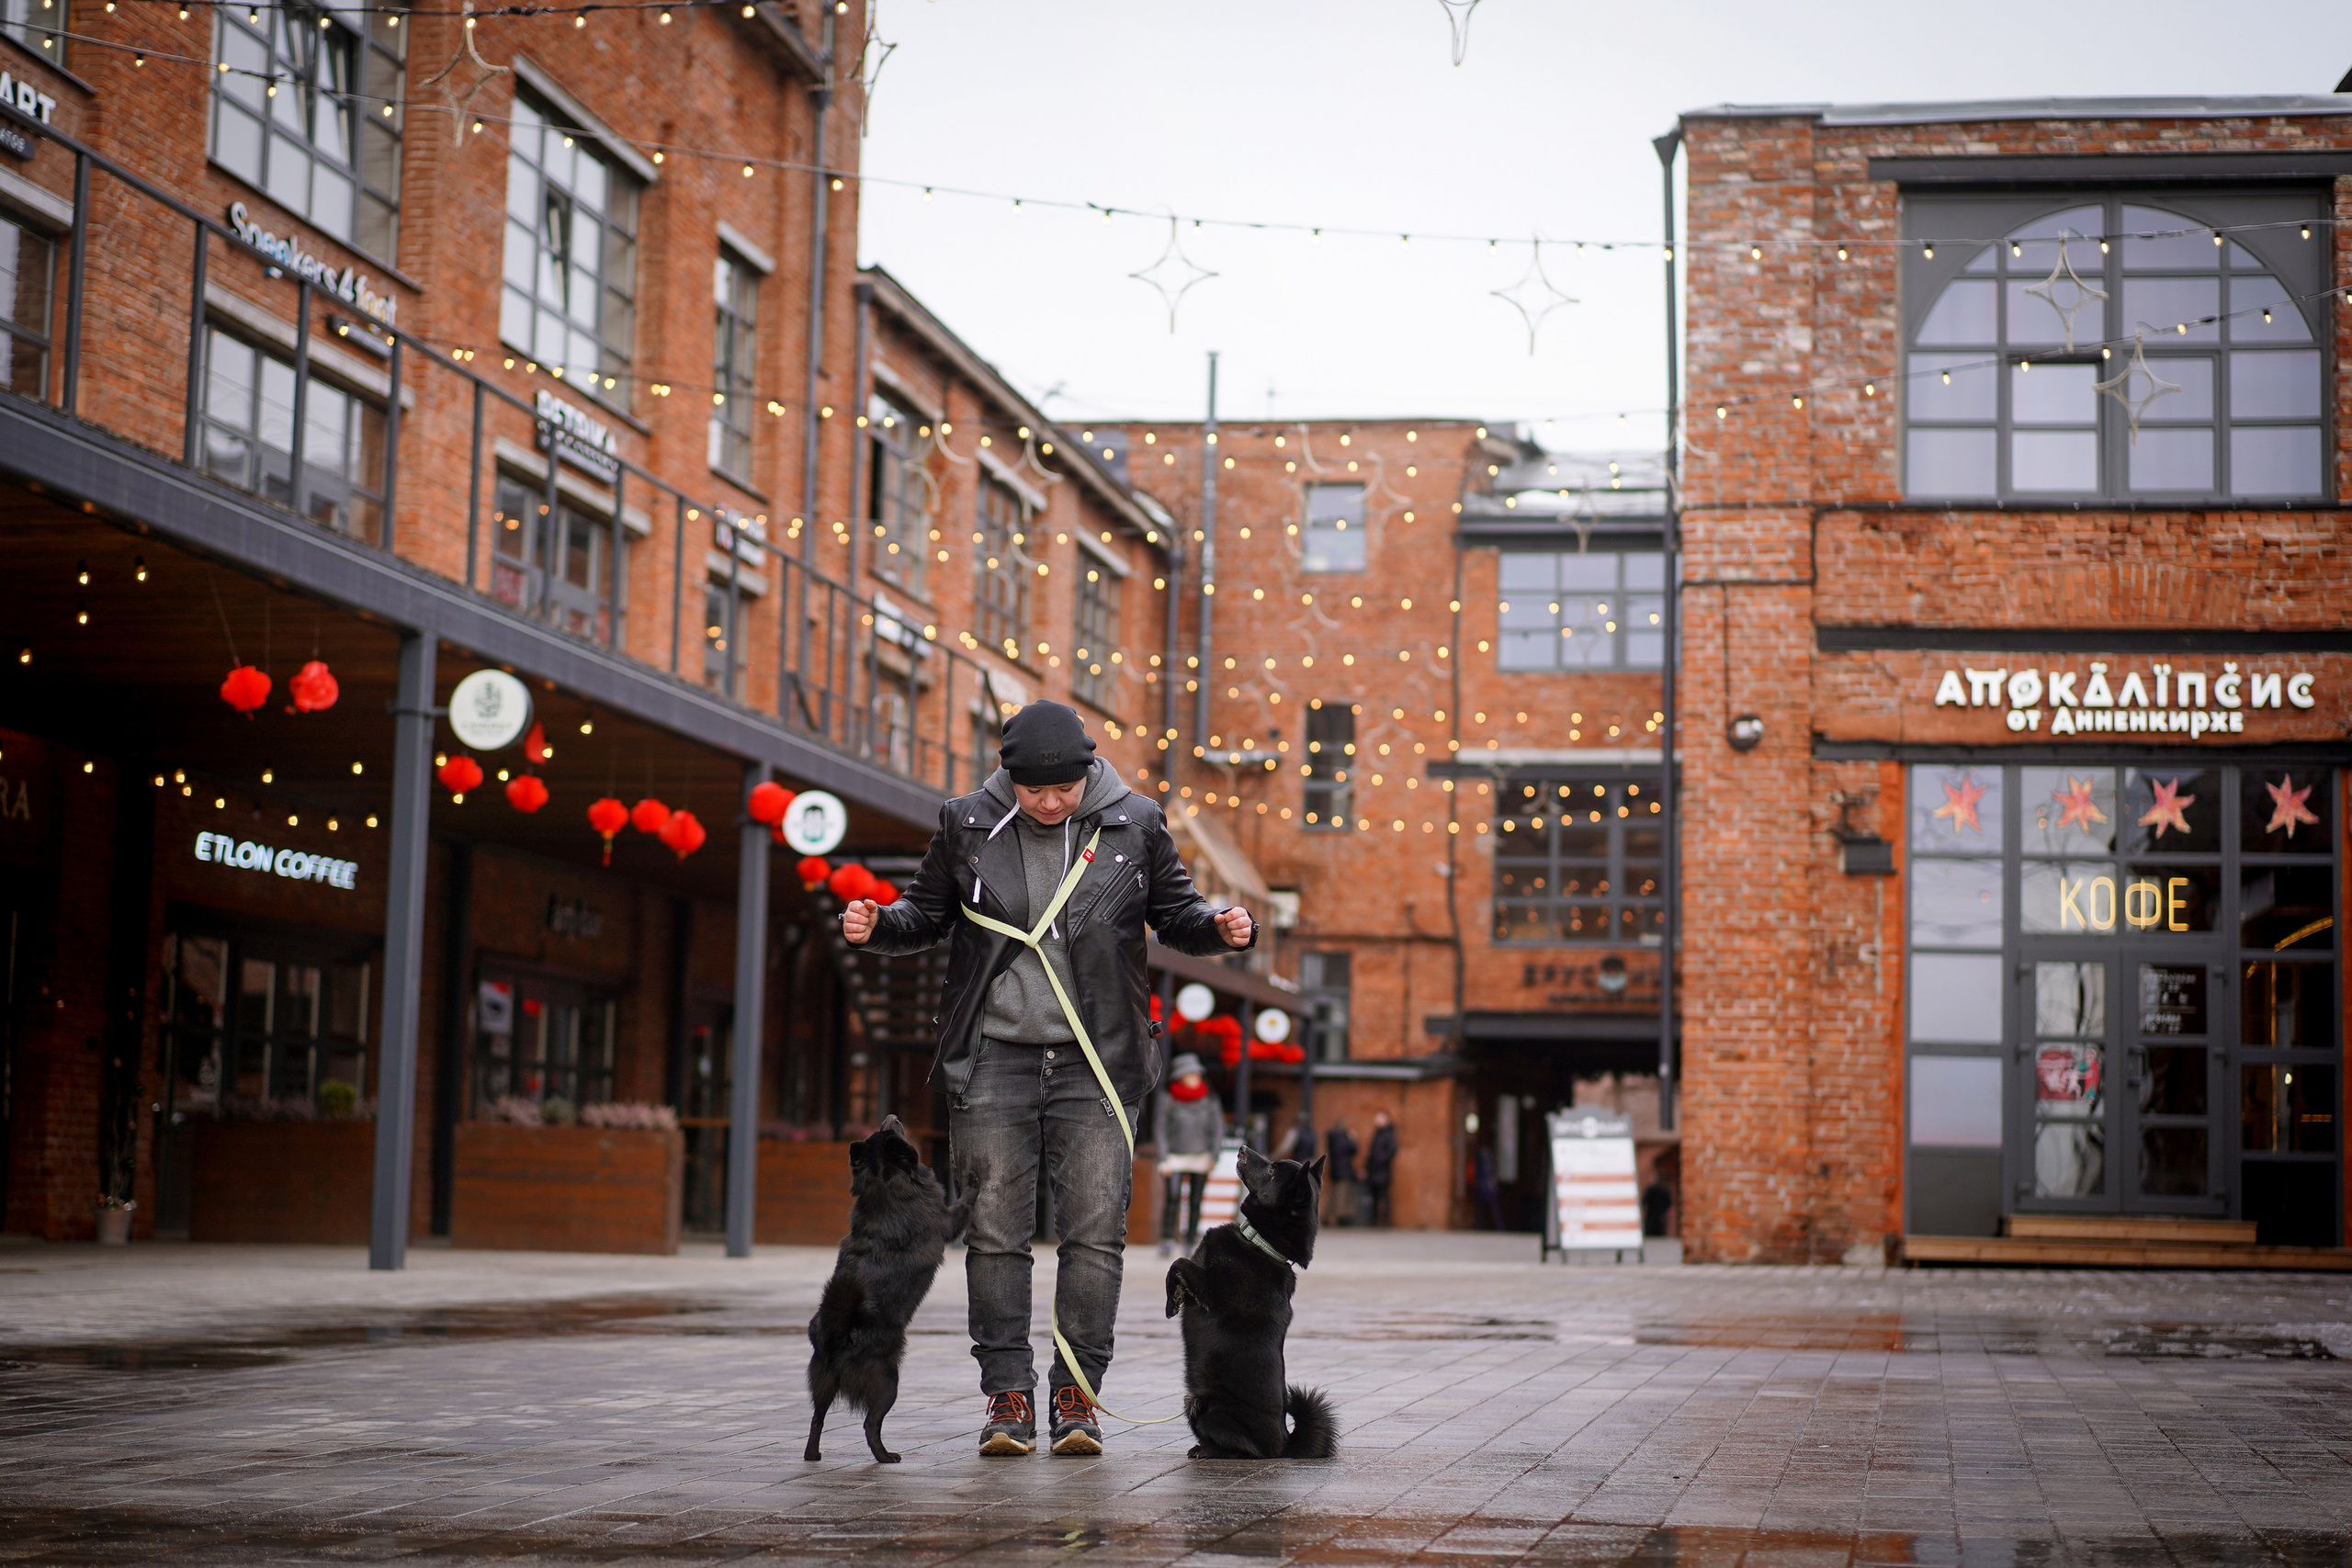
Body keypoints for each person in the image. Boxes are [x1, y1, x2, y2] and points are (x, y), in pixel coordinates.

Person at [842, 700, 1253, 1459]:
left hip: (1096, 1057)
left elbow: (1177, 913)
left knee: (1094, 1232)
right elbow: (926, 915)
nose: (1050, 802)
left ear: (1086, 771)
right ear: (1010, 776)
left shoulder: (1137, 822)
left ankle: (1076, 1395)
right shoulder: (965, 821)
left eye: (1063, 787)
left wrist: (1223, 929)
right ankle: (1006, 1394)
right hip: (994, 1051)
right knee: (995, 1232)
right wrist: (879, 924)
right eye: (1035, 790)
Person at [1155, 1052, 1222, 1258]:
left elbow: (1217, 1127)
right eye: (1189, 1074)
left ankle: (1190, 1241)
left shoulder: (1209, 1098)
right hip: (1175, 1156)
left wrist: (1214, 1155)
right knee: (1173, 1197)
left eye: (1196, 1074)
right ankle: (1167, 1239)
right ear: (1180, 1077)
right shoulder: (1168, 1099)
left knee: (1195, 1201)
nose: (1194, 1078)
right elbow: (1161, 1128)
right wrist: (1163, 1157)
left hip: (1201, 1156)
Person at [1363, 1109, 1398, 1227]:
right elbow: (1370, 1154)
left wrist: (1381, 1159)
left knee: (1384, 1196)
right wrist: (1366, 1168)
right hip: (1374, 1170)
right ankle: (1373, 1219)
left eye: (1380, 1118)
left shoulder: (1389, 1134)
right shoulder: (1377, 1134)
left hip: (1383, 1170)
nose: (1377, 1120)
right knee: (1373, 1195)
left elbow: (1392, 1151)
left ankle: (1384, 1220)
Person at [1322, 1119, 1358, 1227]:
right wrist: (1352, 1138)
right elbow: (1354, 1149)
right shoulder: (1344, 1139)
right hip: (1345, 1170)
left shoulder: (1332, 1139)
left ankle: (1330, 1217)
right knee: (1341, 1195)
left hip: (1335, 1170)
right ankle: (1336, 1218)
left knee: (1335, 1193)